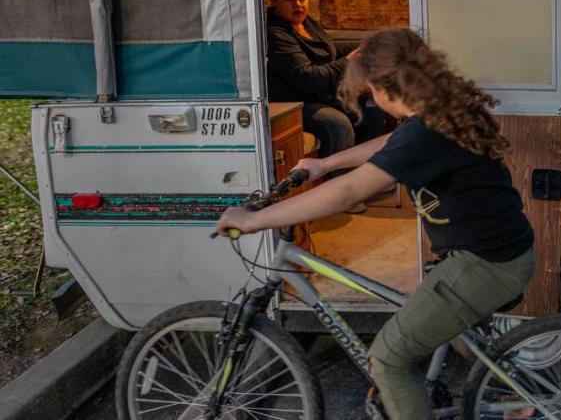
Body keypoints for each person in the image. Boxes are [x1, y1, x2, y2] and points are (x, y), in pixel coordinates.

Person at [216, 28, 536, 420]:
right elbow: (390, 146)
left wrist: (256, 219)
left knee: (389, 358)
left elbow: (349, 192)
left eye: (369, 91)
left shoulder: (428, 130)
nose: (373, 100)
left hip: (486, 263)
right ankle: (517, 397)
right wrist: (326, 164)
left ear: (387, 87)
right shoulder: (438, 110)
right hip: (495, 250)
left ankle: (511, 398)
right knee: (447, 327)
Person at [266, 0, 355, 158]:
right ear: (273, 0)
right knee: (337, 124)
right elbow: (309, 79)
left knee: (371, 108)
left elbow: (329, 49)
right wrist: (349, 61)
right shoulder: (275, 33)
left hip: (323, 95)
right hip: (296, 103)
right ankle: (338, 180)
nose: (298, 5)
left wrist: (365, 45)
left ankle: (370, 173)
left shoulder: (307, 22)